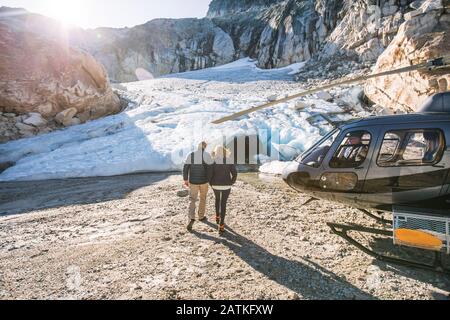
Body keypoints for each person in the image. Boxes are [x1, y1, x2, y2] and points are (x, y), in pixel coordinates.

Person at [183, 142, 213, 232]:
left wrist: (185, 179)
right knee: (203, 198)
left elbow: (186, 167)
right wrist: (209, 179)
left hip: (193, 181)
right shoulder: (207, 155)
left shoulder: (191, 154)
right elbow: (210, 169)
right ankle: (201, 216)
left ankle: (191, 218)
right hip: (204, 182)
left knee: (192, 199)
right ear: (205, 147)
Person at [210, 146, 238, 234]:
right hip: (226, 186)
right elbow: (235, 173)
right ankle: (221, 225)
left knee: (217, 200)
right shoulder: (229, 160)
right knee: (223, 203)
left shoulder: (213, 161)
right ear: (224, 152)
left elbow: (209, 174)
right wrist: (231, 182)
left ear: (216, 152)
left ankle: (217, 217)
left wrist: (211, 184)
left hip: (215, 185)